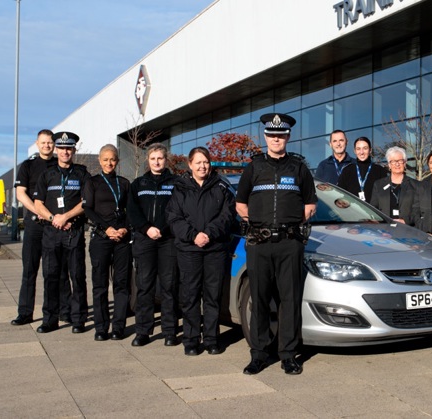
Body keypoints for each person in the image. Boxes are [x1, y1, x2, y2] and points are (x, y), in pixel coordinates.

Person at [236, 113, 317, 375]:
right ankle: (259, 354)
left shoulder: (298, 168)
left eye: (280, 135)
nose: (276, 139)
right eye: (272, 135)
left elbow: (310, 204)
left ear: (287, 137)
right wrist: (261, 226)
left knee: (289, 299)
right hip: (259, 244)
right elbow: (240, 204)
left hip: (289, 243)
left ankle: (288, 354)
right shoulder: (254, 167)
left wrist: (287, 225)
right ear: (265, 137)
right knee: (259, 299)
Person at [166, 147, 236, 356]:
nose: (202, 166)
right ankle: (191, 340)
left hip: (214, 249)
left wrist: (208, 234)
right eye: (198, 163)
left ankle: (212, 339)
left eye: (205, 162)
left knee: (212, 296)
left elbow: (227, 215)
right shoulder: (179, 188)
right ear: (189, 165)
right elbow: (173, 218)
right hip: (189, 250)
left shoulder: (222, 185)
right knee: (190, 296)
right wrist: (193, 235)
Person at [11, 129, 73, 326]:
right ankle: (25, 313)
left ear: (54, 145)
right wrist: (38, 211)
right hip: (35, 225)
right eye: (43, 142)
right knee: (29, 270)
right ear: (37, 144)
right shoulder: (28, 166)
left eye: (50, 143)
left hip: (55, 226)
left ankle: (65, 310)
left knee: (60, 271)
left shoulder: (60, 165)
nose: (47, 146)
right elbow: (21, 194)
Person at [32, 131, 91, 334]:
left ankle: (78, 319)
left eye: (69, 148)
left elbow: (86, 202)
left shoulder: (82, 174)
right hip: (51, 232)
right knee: (51, 277)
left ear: (74, 150)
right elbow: (37, 203)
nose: (65, 152)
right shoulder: (46, 175)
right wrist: (53, 219)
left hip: (73, 232)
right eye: (62, 148)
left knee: (77, 277)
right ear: (56, 149)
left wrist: (66, 217)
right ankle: (50, 319)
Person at [127, 143, 180, 347]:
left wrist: (163, 229)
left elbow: (177, 210)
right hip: (145, 240)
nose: (157, 162)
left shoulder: (176, 183)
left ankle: (169, 331)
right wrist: (147, 228)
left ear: (166, 160)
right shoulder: (138, 184)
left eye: (160, 158)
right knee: (145, 286)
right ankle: (143, 331)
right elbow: (132, 211)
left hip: (168, 241)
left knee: (169, 287)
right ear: (148, 161)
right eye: (153, 159)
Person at [82, 144, 132, 341]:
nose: (109, 163)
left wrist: (125, 228)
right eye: (105, 159)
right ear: (99, 161)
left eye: (112, 159)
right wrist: (106, 229)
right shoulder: (92, 182)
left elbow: (132, 211)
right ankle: (101, 327)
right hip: (102, 239)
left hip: (122, 238)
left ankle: (118, 327)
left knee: (121, 284)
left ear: (117, 161)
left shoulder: (125, 183)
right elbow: (89, 210)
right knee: (100, 284)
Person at [368, 146, 423, 227]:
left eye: (400, 161)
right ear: (389, 165)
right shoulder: (379, 185)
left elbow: (418, 211)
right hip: (385, 231)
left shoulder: (415, 185)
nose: (397, 164)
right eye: (393, 161)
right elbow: (374, 209)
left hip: (407, 230)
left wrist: (405, 221)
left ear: (404, 163)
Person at [337, 136, 387, 202]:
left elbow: (385, 196)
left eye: (365, 148)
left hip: (373, 211)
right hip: (352, 210)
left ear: (370, 150)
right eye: (358, 149)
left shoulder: (380, 170)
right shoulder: (347, 171)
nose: (361, 152)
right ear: (354, 151)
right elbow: (340, 194)